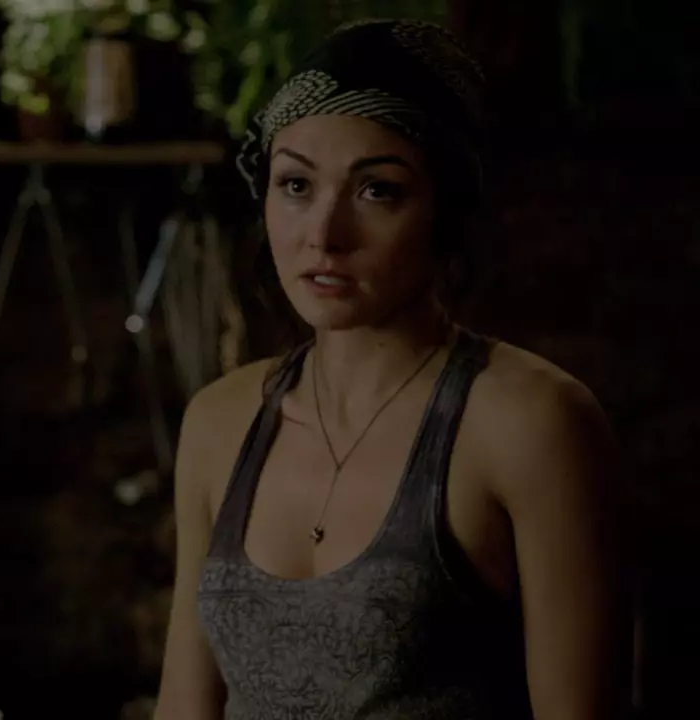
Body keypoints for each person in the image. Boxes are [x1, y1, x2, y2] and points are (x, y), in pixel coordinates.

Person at [154, 19, 633, 720]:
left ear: (445, 211)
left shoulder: (529, 423)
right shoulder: (220, 421)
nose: (325, 234)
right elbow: (183, 704)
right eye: (296, 184)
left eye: (377, 190)